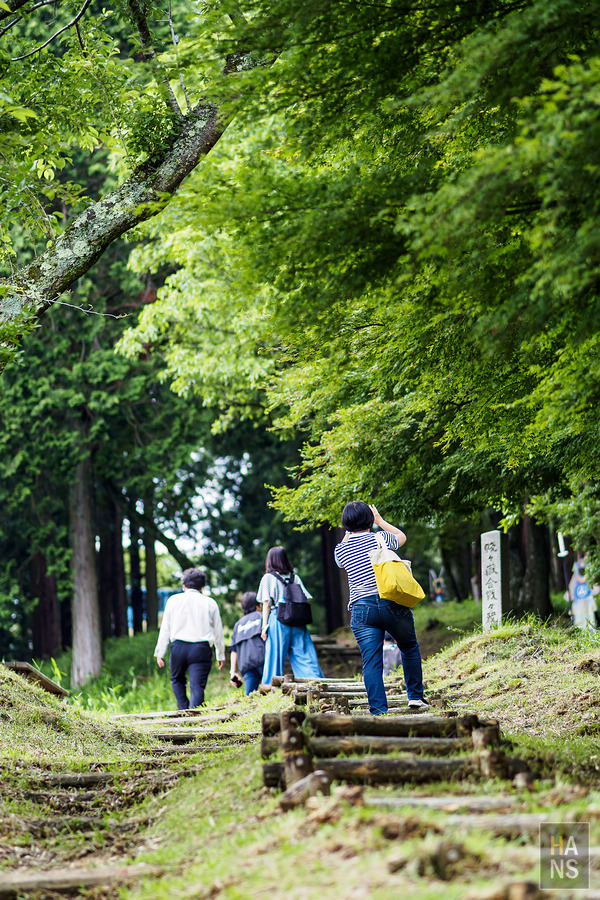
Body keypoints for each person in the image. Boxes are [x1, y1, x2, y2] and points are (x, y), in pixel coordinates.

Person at [334, 501, 427, 715]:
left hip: (361, 609)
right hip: (391, 601)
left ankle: (378, 709)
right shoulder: (380, 537)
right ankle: (415, 697)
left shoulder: (341, 550)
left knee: (371, 660)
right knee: (409, 646)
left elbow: (340, 557)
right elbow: (401, 537)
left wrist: (348, 531)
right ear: (369, 518)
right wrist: (380, 521)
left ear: (346, 523)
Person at [154, 568, 225, 709]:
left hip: (178, 647)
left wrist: (160, 652)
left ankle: (184, 711)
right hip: (201, 649)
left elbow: (165, 629)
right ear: (202, 587)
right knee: (197, 686)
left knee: (177, 680)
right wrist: (220, 655)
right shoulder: (210, 602)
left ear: (184, 585)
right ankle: (194, 716)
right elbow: (218, 631)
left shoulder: (173, 600)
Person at [258, 546, 324, 685]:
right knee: (305, 655)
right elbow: (307, 598)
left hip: (278, 619)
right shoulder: (295, 577)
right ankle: (315, 682)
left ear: (270, 561)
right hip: (298, 621)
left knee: (275, 656)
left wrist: (264, 627)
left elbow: (266, 603)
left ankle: (270, 686)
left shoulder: (268, 578)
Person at [229, 591, 265, 694]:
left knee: (250, 696)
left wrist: (233, 672)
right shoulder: (262, 617)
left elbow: (233, 650)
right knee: (272, 689)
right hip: (263, 660)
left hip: (246, 665)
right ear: (258, 605)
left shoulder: (238, 624)